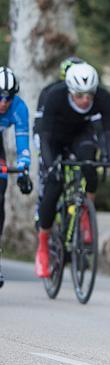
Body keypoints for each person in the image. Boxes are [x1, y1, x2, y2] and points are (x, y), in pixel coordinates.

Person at [35, 62, 110, 278]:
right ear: (69, 90)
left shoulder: (103, 98)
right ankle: (42, 246)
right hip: (55, 138)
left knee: (89, 165)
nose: (85, 100)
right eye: (79, 95)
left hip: (81, 135)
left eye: (89, 95)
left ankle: (85, 211)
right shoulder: (54, 96)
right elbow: (45, 138)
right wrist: (50, 167)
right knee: (53, 186)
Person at [33, 56, 85, 225]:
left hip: (69, 138)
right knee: (48, 173)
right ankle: (41, 205)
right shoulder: (50, 91)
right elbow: (40, 123)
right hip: (48, 135)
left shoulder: (84, 95)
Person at [0, 66, 32, 285]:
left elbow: (23, 146)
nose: (3, 103)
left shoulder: (19, 108)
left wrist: (23, 170)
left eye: (8, 98)